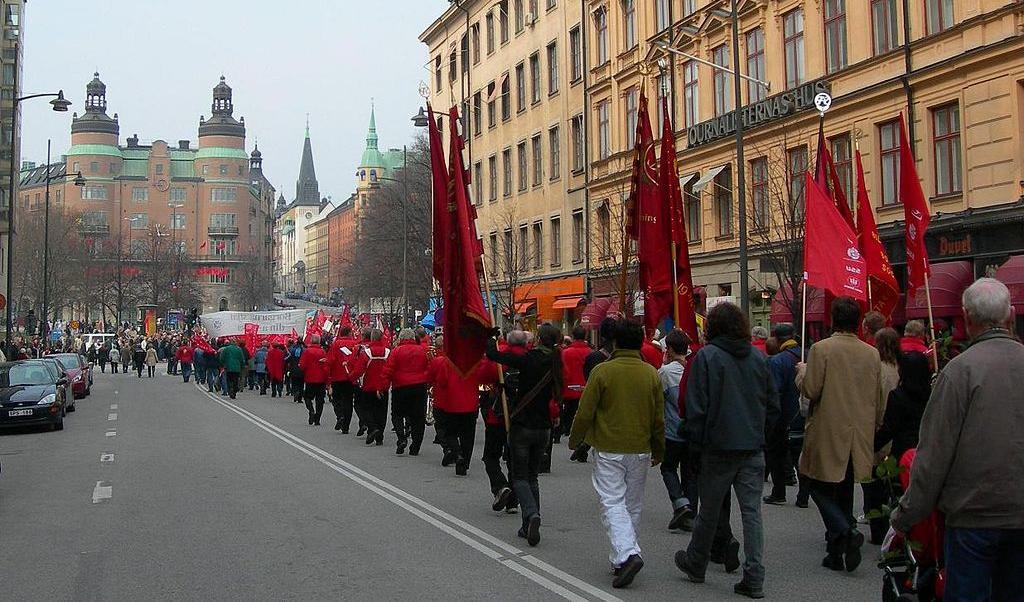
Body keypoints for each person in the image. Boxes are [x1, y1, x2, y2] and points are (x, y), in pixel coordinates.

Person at [892, 279, 1024, 600]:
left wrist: (906, 515)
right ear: (1011, 315)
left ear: (967, 318)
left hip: (972, 515)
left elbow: (934, 454)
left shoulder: (959, 373)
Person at [674, 302, 779, 600]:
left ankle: (697, 561)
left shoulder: (707, 357)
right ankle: (754, 575)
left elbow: (697, 407)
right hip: (751, 445)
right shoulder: (759, 359)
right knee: (752, 513)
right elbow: (773, 406)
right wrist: (761, 435)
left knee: (709, 509)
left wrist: (695, 445)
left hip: (718, 445)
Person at [569, 319, 665, 589]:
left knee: (612, 502)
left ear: (615, 342)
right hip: (641, 447)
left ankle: (627, 553)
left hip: (610, 447)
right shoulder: (650, 373)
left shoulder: (602, 371)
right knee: (631, 504)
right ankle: (621, 557)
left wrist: (576, 439)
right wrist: (659, 448)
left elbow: (585, 411)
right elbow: (658, 418)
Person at [797, 296, 884, 572]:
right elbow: (879, 395)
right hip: (858, 429)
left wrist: (802, 373)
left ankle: (845, 530)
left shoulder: (822, 350)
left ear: (833, 319)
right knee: (844, 488)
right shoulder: (871, 353)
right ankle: (838, 551)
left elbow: (811, 390)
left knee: (814, 484)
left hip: (828, 427)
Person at [485, 323, 562, 548]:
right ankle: (527, 524)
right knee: (533, 477)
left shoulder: (529, 359)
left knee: (519, 477)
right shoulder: (556, 360)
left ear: (538, 338)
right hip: (544, 427)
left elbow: (493, 355)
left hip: (523, 424)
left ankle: (531, 513)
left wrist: (491, 337)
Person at [863, 326, 902, 543]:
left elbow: (872, 401)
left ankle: (878, 526)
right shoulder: (901, 367)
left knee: (875, 483)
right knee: (893, 482)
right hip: (897, 430)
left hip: (879, 427)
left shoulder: (876, 368)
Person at [477, 335, 520, 513]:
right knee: (514, 459)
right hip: (522, 415)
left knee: (490, 456)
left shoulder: (498, 357)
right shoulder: (532, 356)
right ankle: (513, 501)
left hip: (500, 415)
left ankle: (500, 487)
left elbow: (482, 376)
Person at [658, 329, 695, 531]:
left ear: (669, 349)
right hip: (691, 430)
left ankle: (680, 502)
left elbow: (658, 400)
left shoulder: (665, 372)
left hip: (672, 429)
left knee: (668, 468)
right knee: (689, 472)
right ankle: (689, 510)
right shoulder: (693, 367)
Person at [764, 323, 803, 506]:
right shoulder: (806, 354)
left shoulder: (777, 361)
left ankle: (779, 492)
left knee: (776, 455)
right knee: (802, 456)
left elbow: (774, 391)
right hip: (805, 414)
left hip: (783, 416)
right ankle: (803, 495)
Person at [428, 344, 480, 474]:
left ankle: (458, 454)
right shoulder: (474, 362)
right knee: (468, 436)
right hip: (470, 404)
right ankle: (464, 464)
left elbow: (442, 381)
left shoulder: (447, 363)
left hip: (453, 403)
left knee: (450, 433)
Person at [384, 328, 431, 455]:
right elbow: (429, 367)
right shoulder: (423, 350)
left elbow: (389, 370)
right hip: (419, 386)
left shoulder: (396, 351)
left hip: (400, 387)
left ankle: (401, 438)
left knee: (397, 415)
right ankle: (415, 446)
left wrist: (384, 386)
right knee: (418, 418)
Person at [350, 329, 390, 445]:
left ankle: (372, 428)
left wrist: (351, 378)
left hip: (369, 386)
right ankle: (379, 437)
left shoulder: (366, 353)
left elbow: (358, 370)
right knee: (381, 412)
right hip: (383, 387)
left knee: (367, 410)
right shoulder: (388, 352)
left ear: (372, 338)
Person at [559, 326, 590, 446]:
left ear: (573, 336)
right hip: (585, 388)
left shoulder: (566, 352)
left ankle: (567, 429)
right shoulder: (590, 352)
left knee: (568, 410)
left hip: (568, 387)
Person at [326, 326, 360, 432]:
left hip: (337, 376)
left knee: (336, 399)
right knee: (348, 401)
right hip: (350, 377)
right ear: (349, 333)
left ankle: (340, 415)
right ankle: (346, 426)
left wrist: (329, 376)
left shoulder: (336, 344)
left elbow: (331, 360)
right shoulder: (355, 344)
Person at [299, 336, 328, 426]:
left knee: (307, 397)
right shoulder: (322, 351)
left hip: (310, 378)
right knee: (320, 400)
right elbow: (326, 365)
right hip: (321, 379)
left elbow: (302, 365)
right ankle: (317, 418)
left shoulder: (307, 351)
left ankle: (311, 410)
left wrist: (303, 369)